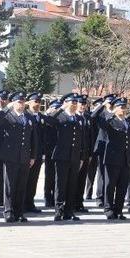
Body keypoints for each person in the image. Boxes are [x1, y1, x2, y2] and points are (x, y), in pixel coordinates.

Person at [0, 92, 38, 223]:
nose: (21, 104)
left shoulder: (29, 117)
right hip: (10, 156)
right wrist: (7, 107)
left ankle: (19, 212)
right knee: (9, 185)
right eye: (19, 102)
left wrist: (33, 156)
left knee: (21, 185)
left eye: (23, 102)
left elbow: (33, 138)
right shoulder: (8, 116)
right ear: (13, 103)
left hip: (24, 156)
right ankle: (8, 211)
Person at [96, 97, 130, 220]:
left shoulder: (128, 122)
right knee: (110, 185)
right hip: (112, 159)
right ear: (115, 108)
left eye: (125, 107)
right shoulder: (110, 121)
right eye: (121, 107)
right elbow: (93, 117)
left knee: (122, 186)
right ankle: (108, 209)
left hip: (126, 159)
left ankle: (119, 210)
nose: (123, 109)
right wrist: (103, 106)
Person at [48, 93, 84, 221]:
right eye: (72, 102)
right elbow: (49, 120)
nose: (74, 104)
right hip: (61, 156)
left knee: (72, 184)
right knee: (60, 184)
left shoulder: (79, 118)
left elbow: (81, 139)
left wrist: (81, 157)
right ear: (66, 103)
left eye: (75, 102)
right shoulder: (60, 116)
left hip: (74, 156)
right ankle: (59, 210)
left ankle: (69, 211)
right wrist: (61, 108)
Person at [23, 92, 46, 214]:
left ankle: (30, 202)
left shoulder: (41, 117)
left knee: (33, 179)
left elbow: (44, 137)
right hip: (27, 153)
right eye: (36, 101)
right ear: (29, 102)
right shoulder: (25, 115)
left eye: (39, 102)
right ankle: (22, 203)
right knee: (24, 179)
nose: (38, 104)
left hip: (37, 153)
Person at [42, 100, 61, 208]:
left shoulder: (59, 119)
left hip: (58, 151)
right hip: (49, 151)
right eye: (55, 109)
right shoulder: (47, 119)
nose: (57, 111)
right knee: (49, 176)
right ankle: (47, 197)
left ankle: (55, 197)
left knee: (57, 176)